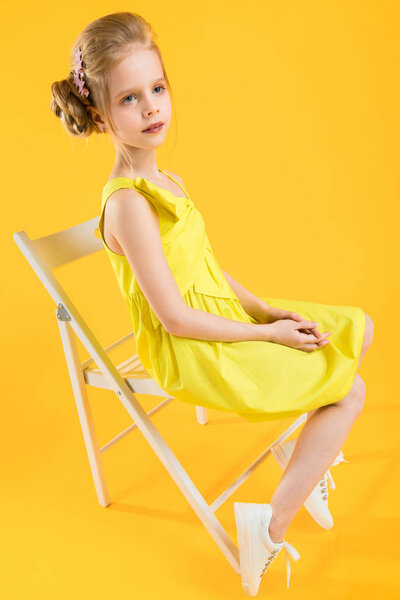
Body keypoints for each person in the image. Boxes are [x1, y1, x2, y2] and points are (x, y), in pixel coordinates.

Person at [50, 11, 374, 595]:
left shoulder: (168, 180)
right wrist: (270, 337)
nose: (151, 107)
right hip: (189, 345)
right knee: (349, 389)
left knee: (358, 327)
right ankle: (268, 526)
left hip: (221, 315)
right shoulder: (128, 204)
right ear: (100, 114)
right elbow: (174, 315)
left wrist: (266, 312)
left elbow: (208, 269)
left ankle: (309, 465)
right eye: (129, 98)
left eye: (158, 88)